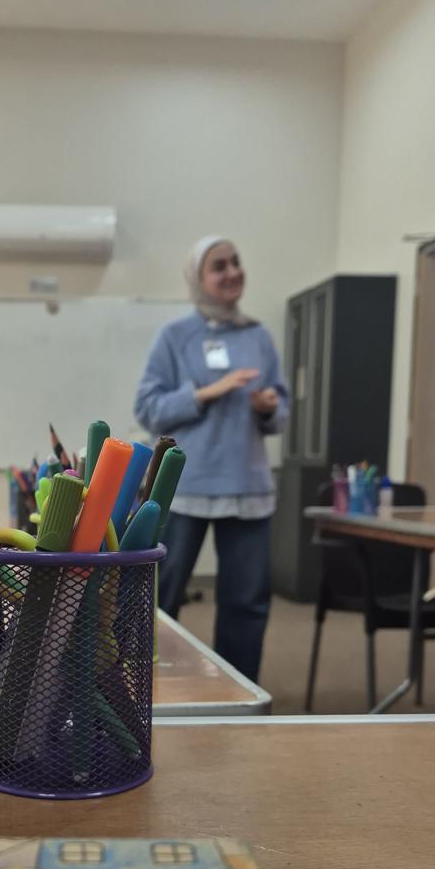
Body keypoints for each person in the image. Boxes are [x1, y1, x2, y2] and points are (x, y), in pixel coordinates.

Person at [134, 236, 289, 681]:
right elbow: (147, 409)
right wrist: (203, 393)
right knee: (160, 596)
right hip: (186, 488)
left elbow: (281, 414)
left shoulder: (258, 336)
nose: (232, 272)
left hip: (248, 487)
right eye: (219, 266)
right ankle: (145, 690)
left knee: (247, 603)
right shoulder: (174, 337)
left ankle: (237, 692)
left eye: (236, 262)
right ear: (197, 278)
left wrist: (267, 407)